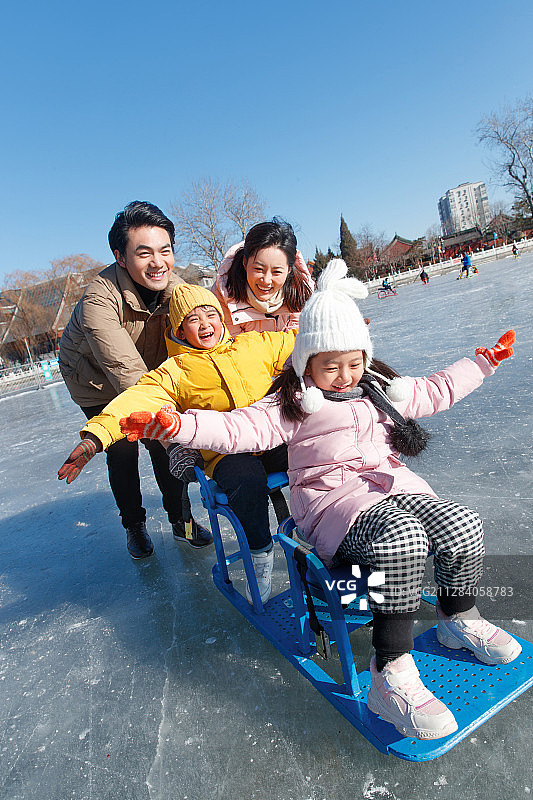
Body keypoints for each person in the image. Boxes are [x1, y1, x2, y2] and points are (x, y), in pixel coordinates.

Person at [120, 259, 521, 741]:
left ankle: (459, 617)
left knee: (462, 524)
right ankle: (389, 673)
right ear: (306, 360)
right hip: (332, 507)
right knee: (405, 540)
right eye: (330, 366)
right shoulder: (290, 403)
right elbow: (237, 427)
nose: (344, 376)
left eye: (355, 363)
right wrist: (179, 425)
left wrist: (483, 362)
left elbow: (436, 389)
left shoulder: (378, 388)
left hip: (393, 487)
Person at [58, 283, 297, 600]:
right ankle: (261, 551)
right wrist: (95, 437)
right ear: (181, 331)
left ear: (222, 319)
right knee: (245, 479)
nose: (205, 323)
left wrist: (342, 338)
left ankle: (317, 529)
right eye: (193, 319)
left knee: (313, 451)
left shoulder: (254, 344)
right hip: (225, 453)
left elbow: (303, 344)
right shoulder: (175, 371)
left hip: (269, 437)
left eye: (210, 314)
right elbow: (137, 400)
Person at [58, 201, 212, 560]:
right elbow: (124, 370)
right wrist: (172, 427)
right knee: (123, 447)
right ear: (121, 257)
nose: (157, 262)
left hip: (147, 370)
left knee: (161, 444)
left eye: (165, 250)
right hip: (95, 379)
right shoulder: (99, 298)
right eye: (144, 253)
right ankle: (134, 525)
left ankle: (182, 521)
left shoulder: (177, 290)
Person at [212, 218, 313, 335]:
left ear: (289, 269)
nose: (266, 280)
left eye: (276, 272)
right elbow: (235, 348)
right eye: (258, 269)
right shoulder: (224, 293)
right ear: (245, 263)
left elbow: (299, 339)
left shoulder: (302, 292)